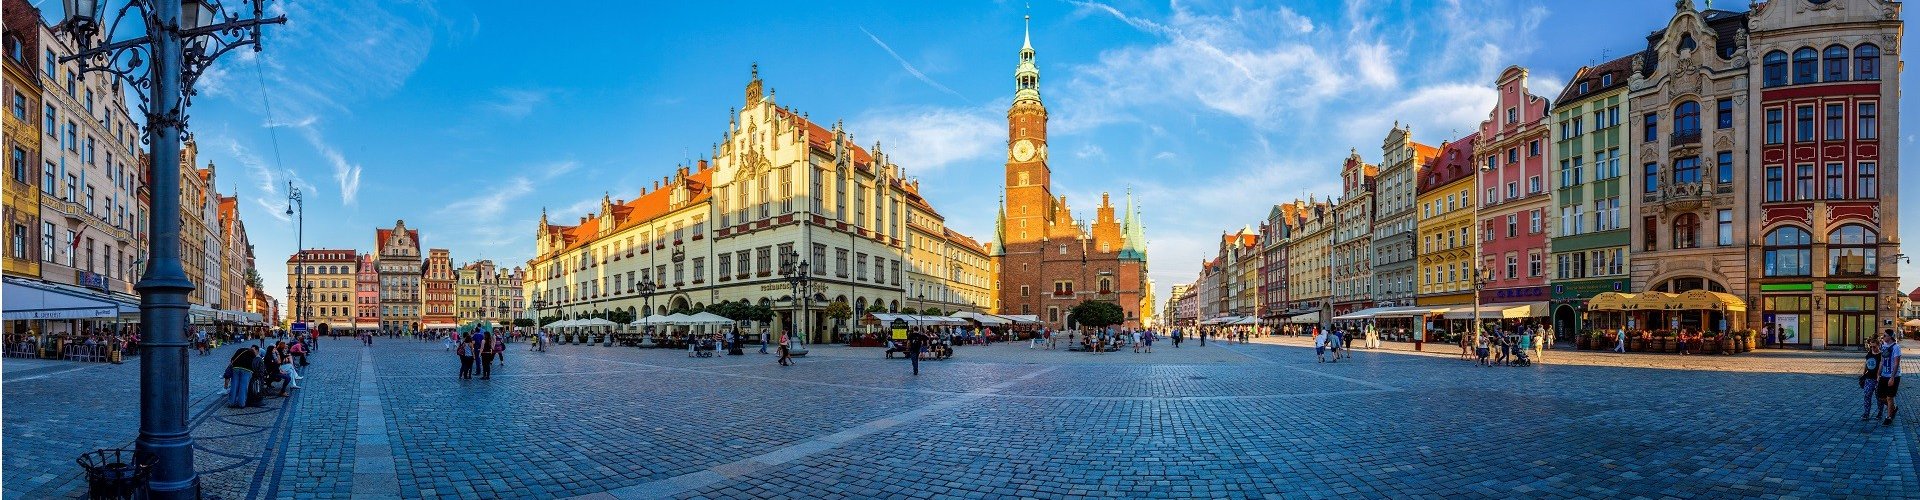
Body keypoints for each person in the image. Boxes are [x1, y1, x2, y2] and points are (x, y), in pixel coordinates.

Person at [1877, 330, 1901, 426]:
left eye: (1885, 335)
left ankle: (1889, 417)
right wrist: (1878, 374)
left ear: (1890, 337)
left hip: (1894, 376)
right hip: (1883, 375)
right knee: (1881, 397)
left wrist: (1892, 378)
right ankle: (1893, 408)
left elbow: (1896, 363)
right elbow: (1882, 361)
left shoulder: (1896, 347)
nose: (1883, 337)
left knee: (1889, 397)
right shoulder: (1883, 346)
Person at [1862, 341, 1884, 421]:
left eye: (1874, 347)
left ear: (1879, 345)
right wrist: (1863, 374)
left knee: (1879, 397)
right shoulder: (1869, 353)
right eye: (1871, 347)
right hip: (1869, 378)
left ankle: (1880, 413)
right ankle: (1866, 413)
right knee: (1867, 395)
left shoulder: (1881, 355)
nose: (1872, 348)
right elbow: (1866, 363)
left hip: (1878, 379)